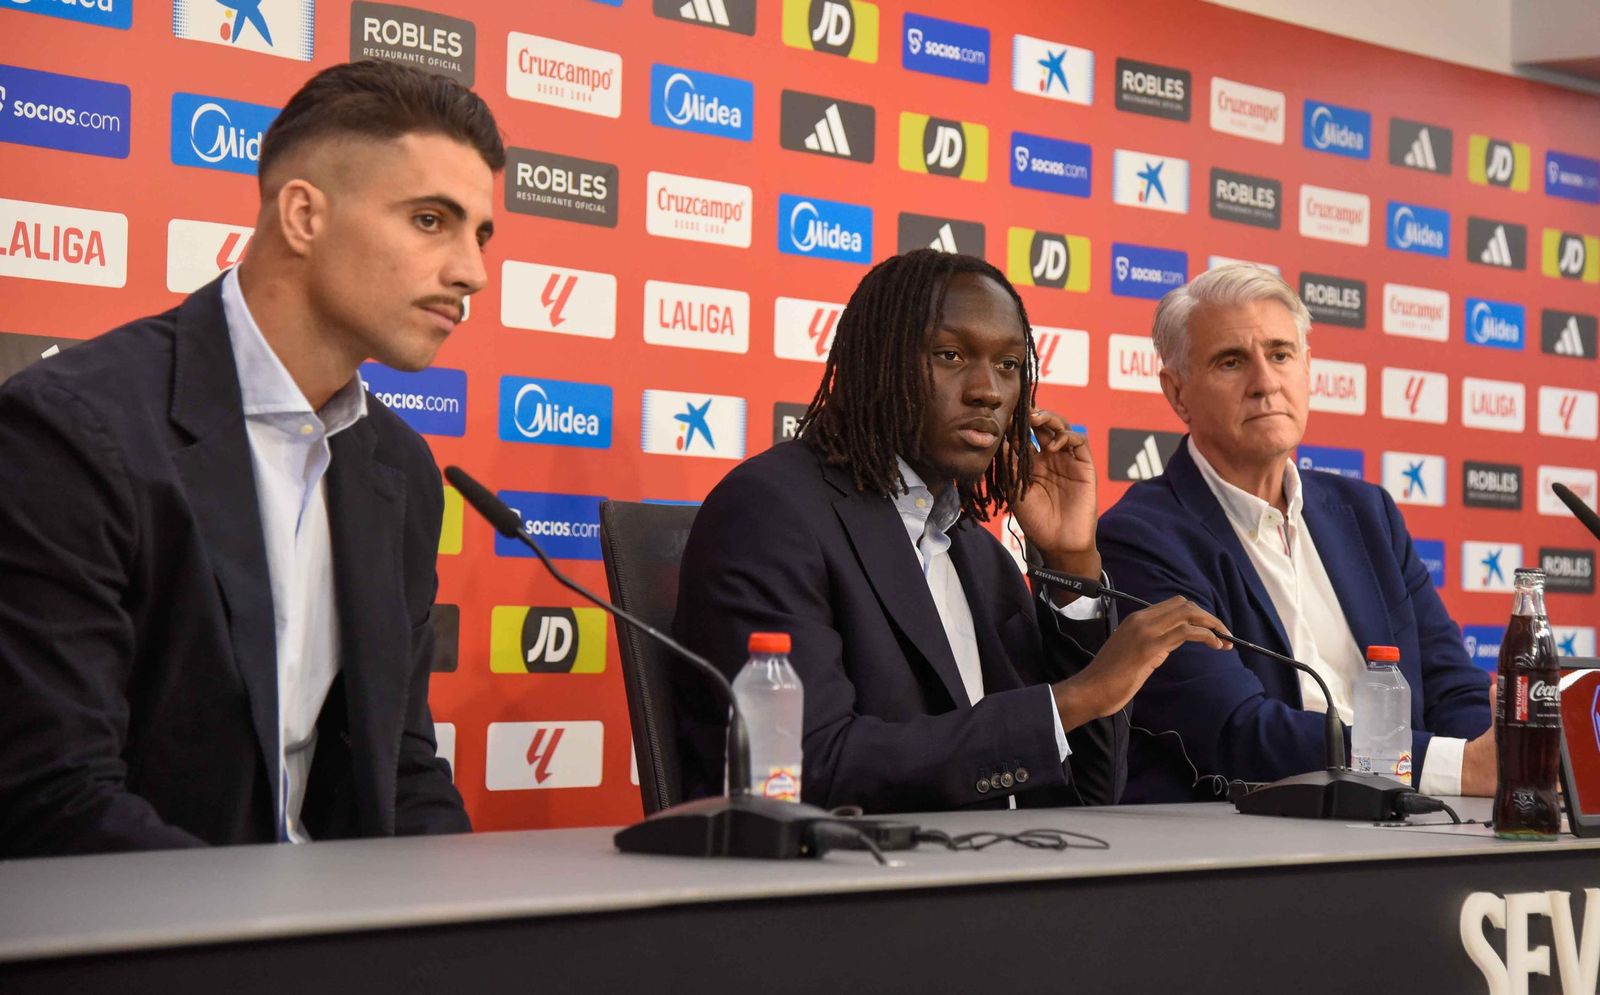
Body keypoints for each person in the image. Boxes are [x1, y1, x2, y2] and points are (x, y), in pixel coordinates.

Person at [0, 60, 502, 855]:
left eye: (480, 234)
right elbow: (54, 796)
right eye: (431, 221)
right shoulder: (76, 432)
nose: (471, 272)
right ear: (303, 215)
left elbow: (402, 771)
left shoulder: (399, 468)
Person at [673, 250, 1227, 812]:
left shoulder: (976, 553)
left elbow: (1086, 793)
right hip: (854, 890)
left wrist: (1071, 565)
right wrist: (1072, 700)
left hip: (1002, 878)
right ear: (876, 363)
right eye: (951, 355)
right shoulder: (771, 513)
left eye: (1009, 365)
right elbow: (804, 770)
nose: (987, 390)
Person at [1097, 265, 1493, 803]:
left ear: (1307, 369)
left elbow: (1453, 684)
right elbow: (1236, 733)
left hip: (1419, 820)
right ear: (1177, 391)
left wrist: (1497, 761)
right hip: (1255, 843)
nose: (1265, 382)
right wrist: (1457, 769)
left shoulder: (1367, 512)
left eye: (1281, 355)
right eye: (1231, 362)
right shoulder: (1143, 537)